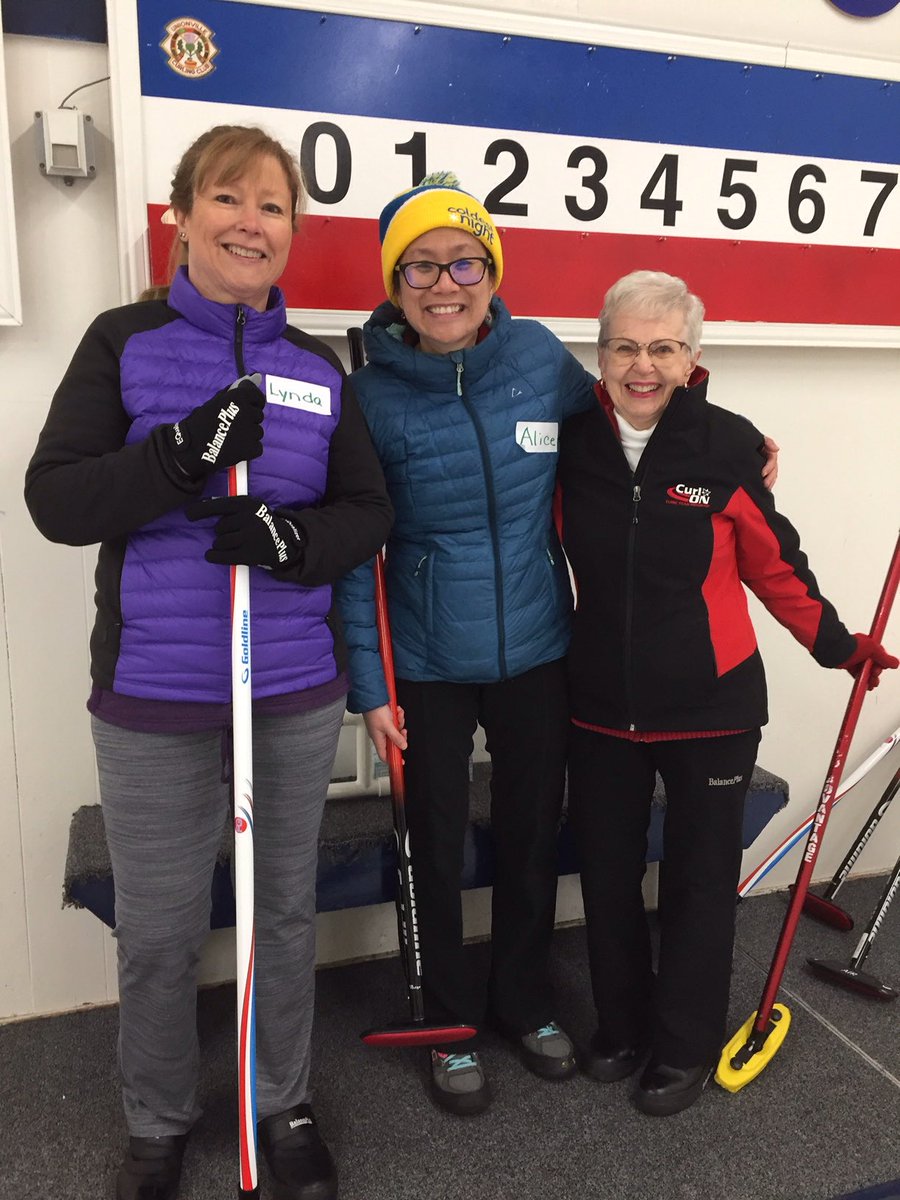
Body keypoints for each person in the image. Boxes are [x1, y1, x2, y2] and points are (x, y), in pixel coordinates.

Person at [336, 175, 779, 1117]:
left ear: (491, 273)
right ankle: (449, 1021)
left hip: (542, 649)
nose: (445, 282)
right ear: (396, 281)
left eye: (465, 262)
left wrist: (734, 447)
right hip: (427, 662)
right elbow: (352, 553)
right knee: (437, 842)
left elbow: (639, 413)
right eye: (422, 266)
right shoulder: (367, 398)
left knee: (534, 839)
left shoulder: (538, 357)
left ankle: (527, 1002)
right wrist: (370, 687)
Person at [25, 125, 392, 1200]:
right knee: (161, 926)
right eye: (227, 199)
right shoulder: (122, 342)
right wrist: (179, 458)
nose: (249, 221)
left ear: (292, 232)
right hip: (154, 696)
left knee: (281, 913)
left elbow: (365, 512)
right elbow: (58, 499)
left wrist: (292, 543)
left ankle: (281, 1102)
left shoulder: (317, 367)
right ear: (182, 215)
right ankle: (157, 1121)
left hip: (284, 690)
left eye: (272, 206)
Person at [556, 269, 897, 1118]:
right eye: (626, 347)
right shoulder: (567, 444)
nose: (644, 366)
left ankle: (683, 1046)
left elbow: (775, 565)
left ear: (692, 356)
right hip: (598, 705)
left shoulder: (724, 445)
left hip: (712, 710)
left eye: (663, 348)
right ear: (598, 354)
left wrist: (838, 646)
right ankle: (623, 1028)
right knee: (605, 876)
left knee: (698, 887)